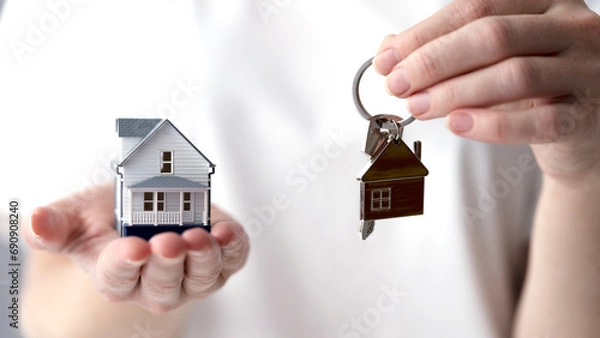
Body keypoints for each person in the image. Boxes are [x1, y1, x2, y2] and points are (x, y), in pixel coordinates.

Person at [5, 0, 598, 337]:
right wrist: (139, 277)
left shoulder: (558, 21)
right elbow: (42, 313)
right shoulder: (56, 22)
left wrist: (586, 174)